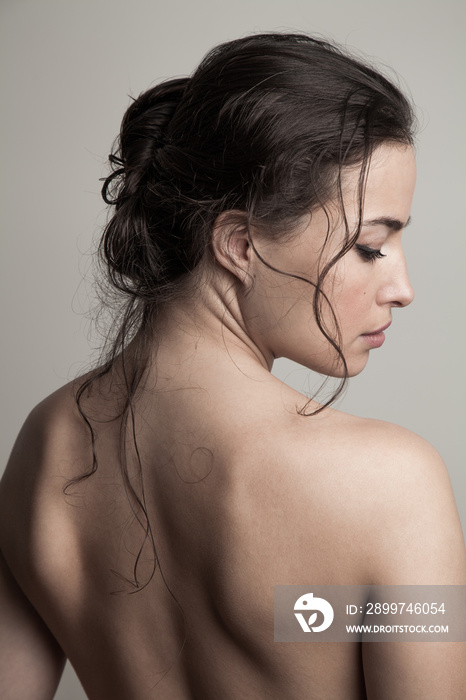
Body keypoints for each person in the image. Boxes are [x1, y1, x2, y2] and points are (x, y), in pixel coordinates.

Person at [0, 33, 465, 700]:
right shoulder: (390, 486)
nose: (403, 287)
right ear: (240, 243)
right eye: (370, 246)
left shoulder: (42, 447)